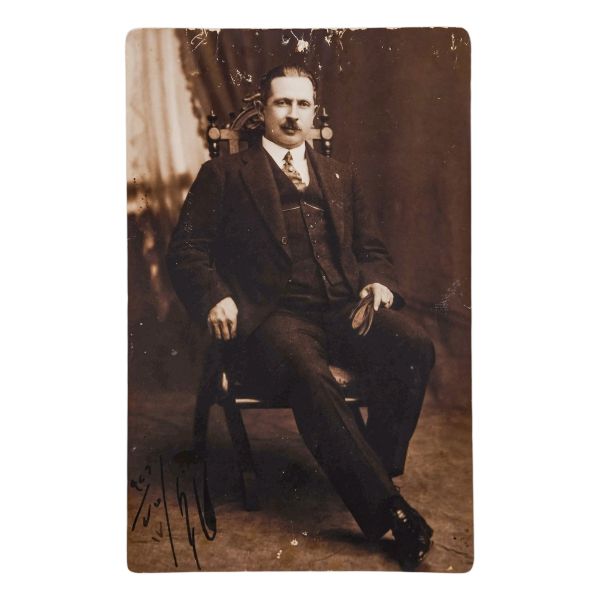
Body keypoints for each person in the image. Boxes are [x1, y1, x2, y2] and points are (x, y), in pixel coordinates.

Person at [167, 64, 435, 570]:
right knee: (309, 372)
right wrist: (214, 297)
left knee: (414, 345)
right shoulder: (225, 174)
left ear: (315, 112)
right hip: (273, 318)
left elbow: (372, 250)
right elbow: (187, 251)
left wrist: (378, 283)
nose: (293, 115)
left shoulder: (340, 175)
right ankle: (390, 511)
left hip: (343, 309)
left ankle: (373, 468)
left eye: (302, 104)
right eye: (282, 103)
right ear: (263, 110)